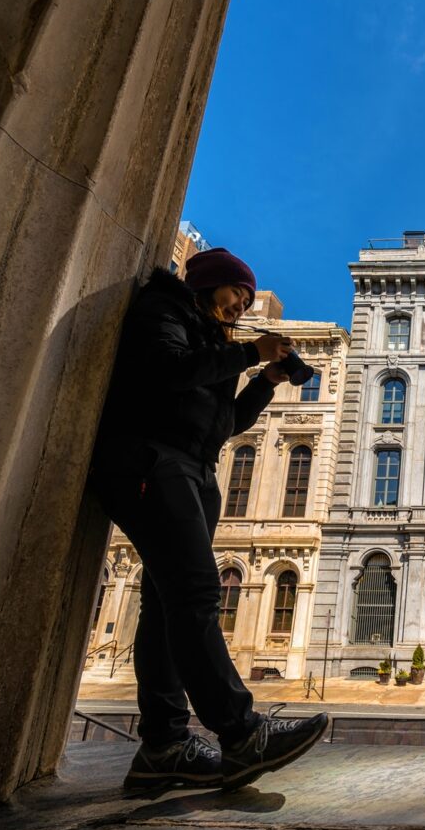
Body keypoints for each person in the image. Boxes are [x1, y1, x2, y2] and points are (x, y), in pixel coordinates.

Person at [90, 248, 328, 792]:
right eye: (235, 295)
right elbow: (165, 372)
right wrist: (246, 352)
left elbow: (228, 423)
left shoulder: (214, 340)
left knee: (161, 609)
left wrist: (265, 378)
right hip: (151, 462)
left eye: (247, 301)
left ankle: (164, 746)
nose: (241, 306)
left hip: (194, 469)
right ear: (208, 285)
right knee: (198, 593)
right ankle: (241, 733)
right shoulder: (163, 310)